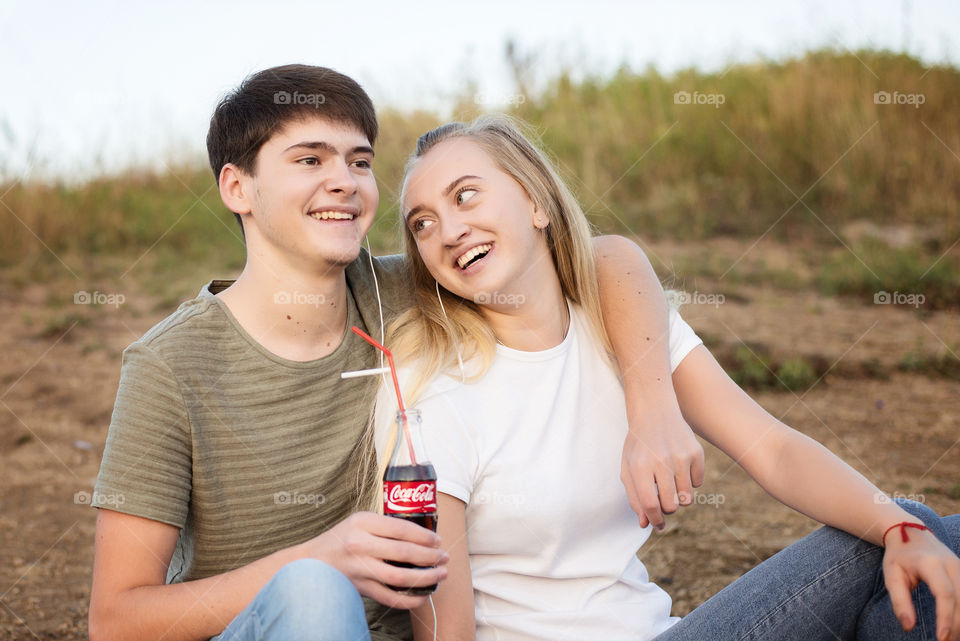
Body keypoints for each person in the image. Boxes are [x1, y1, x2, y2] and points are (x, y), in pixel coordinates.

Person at [87, 65, 702, 641]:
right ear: (236, 187)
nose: (345, 181)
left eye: (359, 161)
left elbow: (600, 258)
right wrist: (317, 560)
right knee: (312, 593)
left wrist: (652, 408)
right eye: (309, 159)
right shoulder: (170, 365)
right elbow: (115, 619)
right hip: (272, 626)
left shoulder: (400, 292)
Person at [375, 115, 960, 641]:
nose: (448, 231)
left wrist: (898, 529)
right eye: (423, 224)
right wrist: (898, 523)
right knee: (908, 525)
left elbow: (773, 450)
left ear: (537, 203)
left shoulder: (622, 326)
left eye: (467, 196)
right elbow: (443, 628)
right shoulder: (435, 396)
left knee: (928, 544)